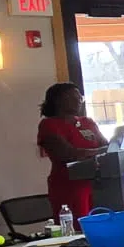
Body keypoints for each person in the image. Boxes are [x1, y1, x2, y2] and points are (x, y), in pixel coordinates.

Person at [36, 83, 108, 232]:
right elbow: (68, 154)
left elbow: (107, 146)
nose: (79, 101)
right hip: (68, 186)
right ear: (58, 100)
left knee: (100, 227)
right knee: (78, 229)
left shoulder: (87, 122)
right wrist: (99, 151)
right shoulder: (49, 125)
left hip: (95, 183)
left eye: (80, 97)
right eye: (73, 97)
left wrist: (101, 150)